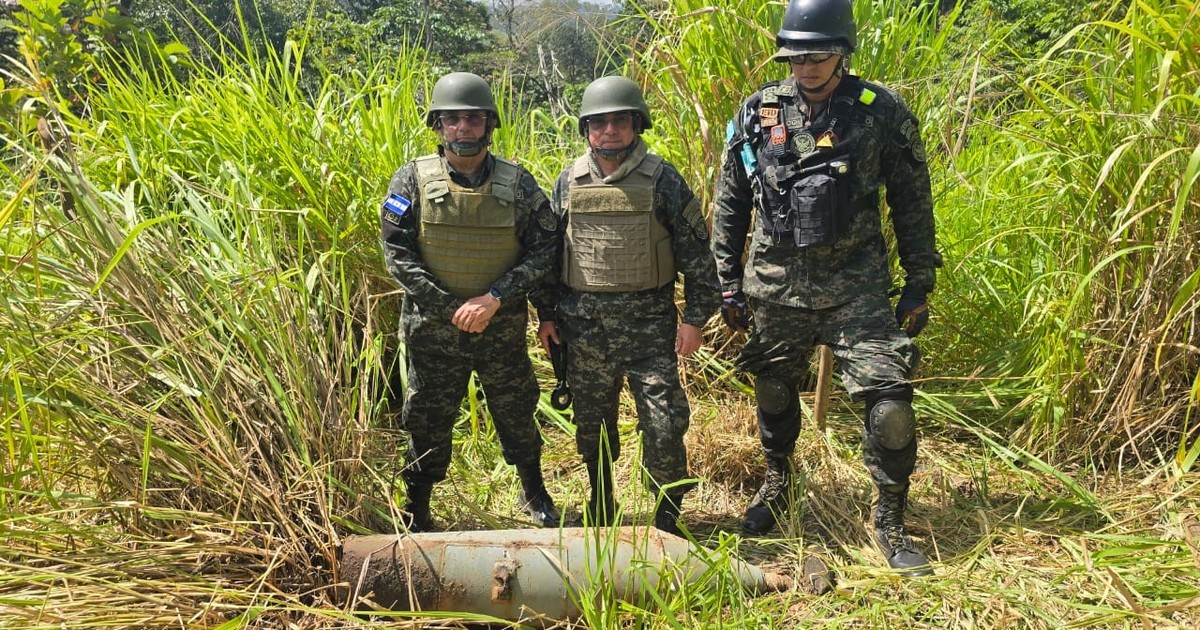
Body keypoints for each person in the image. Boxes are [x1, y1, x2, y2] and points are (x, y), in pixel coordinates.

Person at [712, 0, 942, 576]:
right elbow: (732, 200)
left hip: (856, 288)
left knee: (890, 406)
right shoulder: (759, 110)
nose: (806, 65)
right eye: (795, 55)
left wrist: (918, 283)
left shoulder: (879, 111)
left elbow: (912, 199)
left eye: (817, 54)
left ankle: (889, 520)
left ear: (842, 52)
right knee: (772, 390)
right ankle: (778, 486)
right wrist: (727, 284)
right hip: (775, 284)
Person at [533, 76, 721, 536]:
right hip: (584, 332)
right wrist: (547, 314)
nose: (609, 130)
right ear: (586, 129)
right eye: (599, 123)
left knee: (663, 424)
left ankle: (668, 518)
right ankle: (602, 501)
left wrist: (695, 318)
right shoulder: (569, 180)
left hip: (649, 329)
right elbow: (547, 252)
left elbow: (698, 255)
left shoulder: (663, 179)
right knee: (592, 426)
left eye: (619, 121)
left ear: (637, 123)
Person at [380, 71, 561, 531]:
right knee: (427, 416)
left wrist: (495, 298)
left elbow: (546, 248)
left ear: (489, 124)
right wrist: (451, 309)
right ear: (438, 126)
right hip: (433, 331)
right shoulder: (411, 180)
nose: (464, 128)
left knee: (516, 408)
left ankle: (534, 492)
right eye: (453, 119)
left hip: (499, 327)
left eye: (473, 119)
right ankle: (417, 507)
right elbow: (396, 254)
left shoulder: (518, 184)